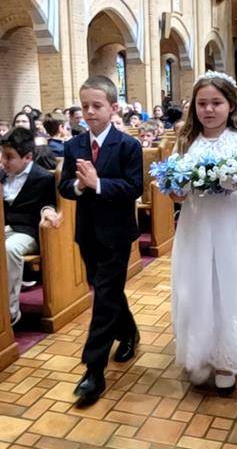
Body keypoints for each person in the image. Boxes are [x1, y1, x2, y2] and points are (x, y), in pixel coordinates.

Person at [171, 71, 237, 394]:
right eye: (202, 103)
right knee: (198, 286)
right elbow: (178, 196)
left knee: (230, 285)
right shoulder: (187, 142)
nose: (208, 110)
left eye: (216, 102)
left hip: (234, 226)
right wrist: (175, 186)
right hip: (197, 226)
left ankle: (228, 358)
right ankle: (200, 353)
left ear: (230, 105)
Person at [59, 75, 143, 406]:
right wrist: (79, 187)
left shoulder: (128, 145)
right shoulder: (74, 145)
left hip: (117, 233)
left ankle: (93, 370)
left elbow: (134, 187)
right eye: (84, 106)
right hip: (88, 233)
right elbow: (65, 185)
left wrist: (98, 184)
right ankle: (130, 332)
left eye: (97, 106)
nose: (89, 112)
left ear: (113, 107)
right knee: (106, 290)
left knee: (104, 297)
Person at [1, 127, 62, 325]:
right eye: (2, 156)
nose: (3, 161)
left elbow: (49, 204)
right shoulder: (2, 176)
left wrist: (47, 211)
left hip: (29, 233)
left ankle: (10, 311)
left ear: (27, 157)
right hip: (8, 228)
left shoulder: (42, 177)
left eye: (9, 157)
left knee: (9, 249)